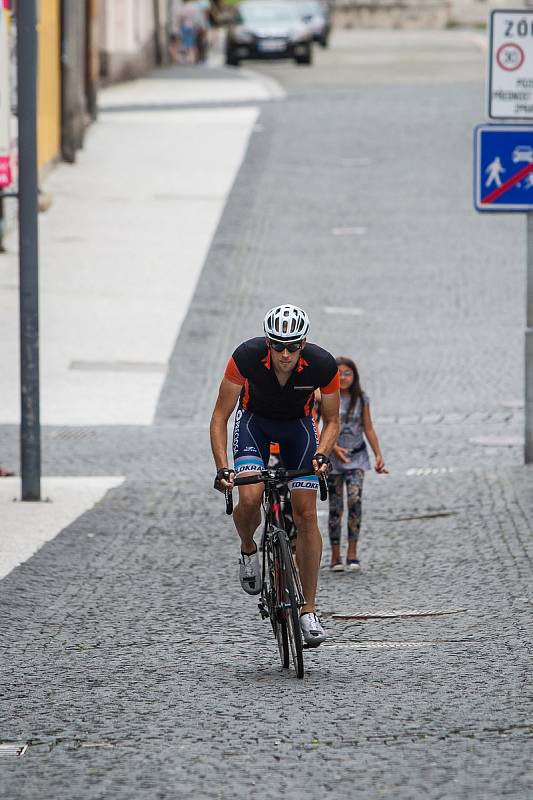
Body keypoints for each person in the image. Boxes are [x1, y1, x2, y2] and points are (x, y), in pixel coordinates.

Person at [210, 304, 340, 647]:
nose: (285, 354)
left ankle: (308, 610)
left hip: (298, 429)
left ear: (304, 343)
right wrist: (223, 467)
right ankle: (249, 548)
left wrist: (323, 454)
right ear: (267, 342)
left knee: (307, 514)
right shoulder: (246, 357)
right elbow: (220, 417)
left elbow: (332, 421)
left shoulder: (324, 364)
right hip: (255, 425)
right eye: (278, 345)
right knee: (250, 497)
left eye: (293, 346)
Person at [326, 357, 387, 572]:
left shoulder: (361, 399)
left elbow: (368, 427)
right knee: (335, 507)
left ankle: (352, 553)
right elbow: (319, 425)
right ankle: (335, 556)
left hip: (356, 457)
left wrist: (378, 454)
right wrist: (332, 448)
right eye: (339, 373)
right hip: (333, 459)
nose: (343, 377)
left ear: (355, 376)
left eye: (347, 373)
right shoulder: (327, 397)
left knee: (354, 500)